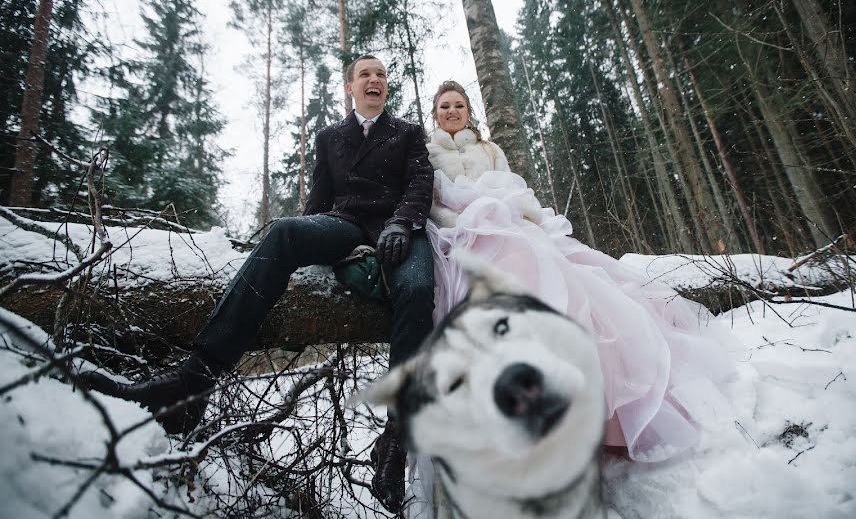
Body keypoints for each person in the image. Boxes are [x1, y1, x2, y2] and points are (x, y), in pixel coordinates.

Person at [85, 56, 433, 513]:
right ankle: (193, 384)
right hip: (346, 223)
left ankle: (395, 441)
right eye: (365, 74)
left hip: (398, 230)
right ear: (350, 87)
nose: (374, 80)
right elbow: (318, 203)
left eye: (381, 75)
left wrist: (402, 224)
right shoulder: (330, 138)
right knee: (285, 232)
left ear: (387, 87)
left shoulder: (407, 132)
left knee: (417, 289)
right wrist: (308, 245)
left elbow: (420, 183)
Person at [424, 80, 734, 463]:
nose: (452, 111)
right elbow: (431, 203)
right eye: (444, 106)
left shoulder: (490, 149)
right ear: (434, 113)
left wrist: (519, 215)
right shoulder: (428, 154)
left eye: (458, 105)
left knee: (571, 284)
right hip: (464, 235)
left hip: (511, 225)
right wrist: (466, 220)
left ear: (469, 111)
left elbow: (518, 192)